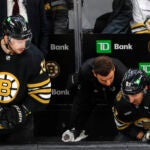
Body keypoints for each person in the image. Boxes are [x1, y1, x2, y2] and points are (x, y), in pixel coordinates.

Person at [0, 15, 51, 143]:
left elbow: (42, 93)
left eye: (26, 39)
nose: (23, 45)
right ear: (6, 38)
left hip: (19, 125)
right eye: (18, 40)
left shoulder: (34, 56)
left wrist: (23, 110)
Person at [62, 55, 128, 142]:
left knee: (122, 104)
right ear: (94, 73)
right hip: (93, 90)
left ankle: (125, 132)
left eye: (110, 78)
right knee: (81, 101)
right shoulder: (85, 70)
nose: (108, 83)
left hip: (115, 92)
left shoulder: (123, 73)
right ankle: (76, 129)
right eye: (104, 80)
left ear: (114, 69)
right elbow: (82, 97)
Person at [113, 69, 150, 142]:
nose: (131, 100)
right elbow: (122, 125)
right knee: (118, 145)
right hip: (138, 130)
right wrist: (138, 134)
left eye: (134, 94)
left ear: (145, 88)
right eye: (127, 95)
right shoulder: (121, 102)